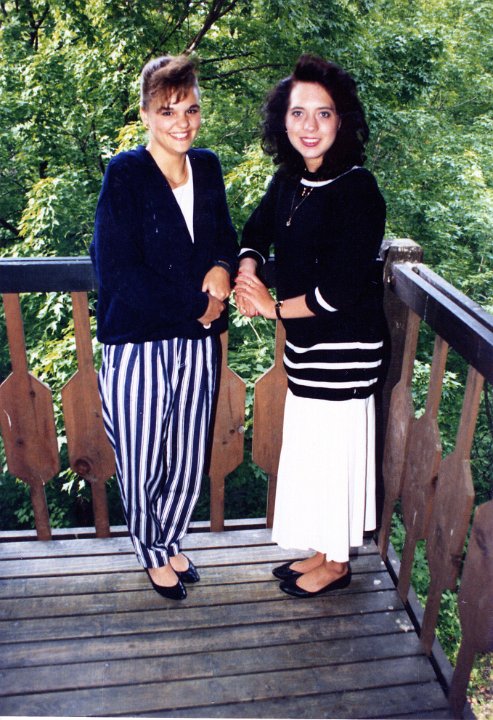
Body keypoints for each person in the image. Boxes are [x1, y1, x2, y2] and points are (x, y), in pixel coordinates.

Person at [235, 54, 387, 598]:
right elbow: (255, 231)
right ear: (284, 120)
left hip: (347, 349)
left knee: (335, 454)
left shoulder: (358, 189)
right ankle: (323, 549)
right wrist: (247, 270)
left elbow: (338, 292)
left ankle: (338, 563)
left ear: (342, 121)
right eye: (298, 113)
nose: (310, 126)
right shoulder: (289, 180)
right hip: (305, 348)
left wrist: (269, 308)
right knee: (316, 453)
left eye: (323, 114)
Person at [90, 55, 238, 600]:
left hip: (196, 344)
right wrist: (195, 308)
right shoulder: (125, 175)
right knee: (142, 454)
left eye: (191, 109)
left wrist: (223, 265)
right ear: (146, 114)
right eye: (168, 110)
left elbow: (225, 236)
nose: (182, 122)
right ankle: (150, 550)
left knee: (188, 451)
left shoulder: (209, 167)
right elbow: (117, 270)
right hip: (138, 342)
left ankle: (170, 537)